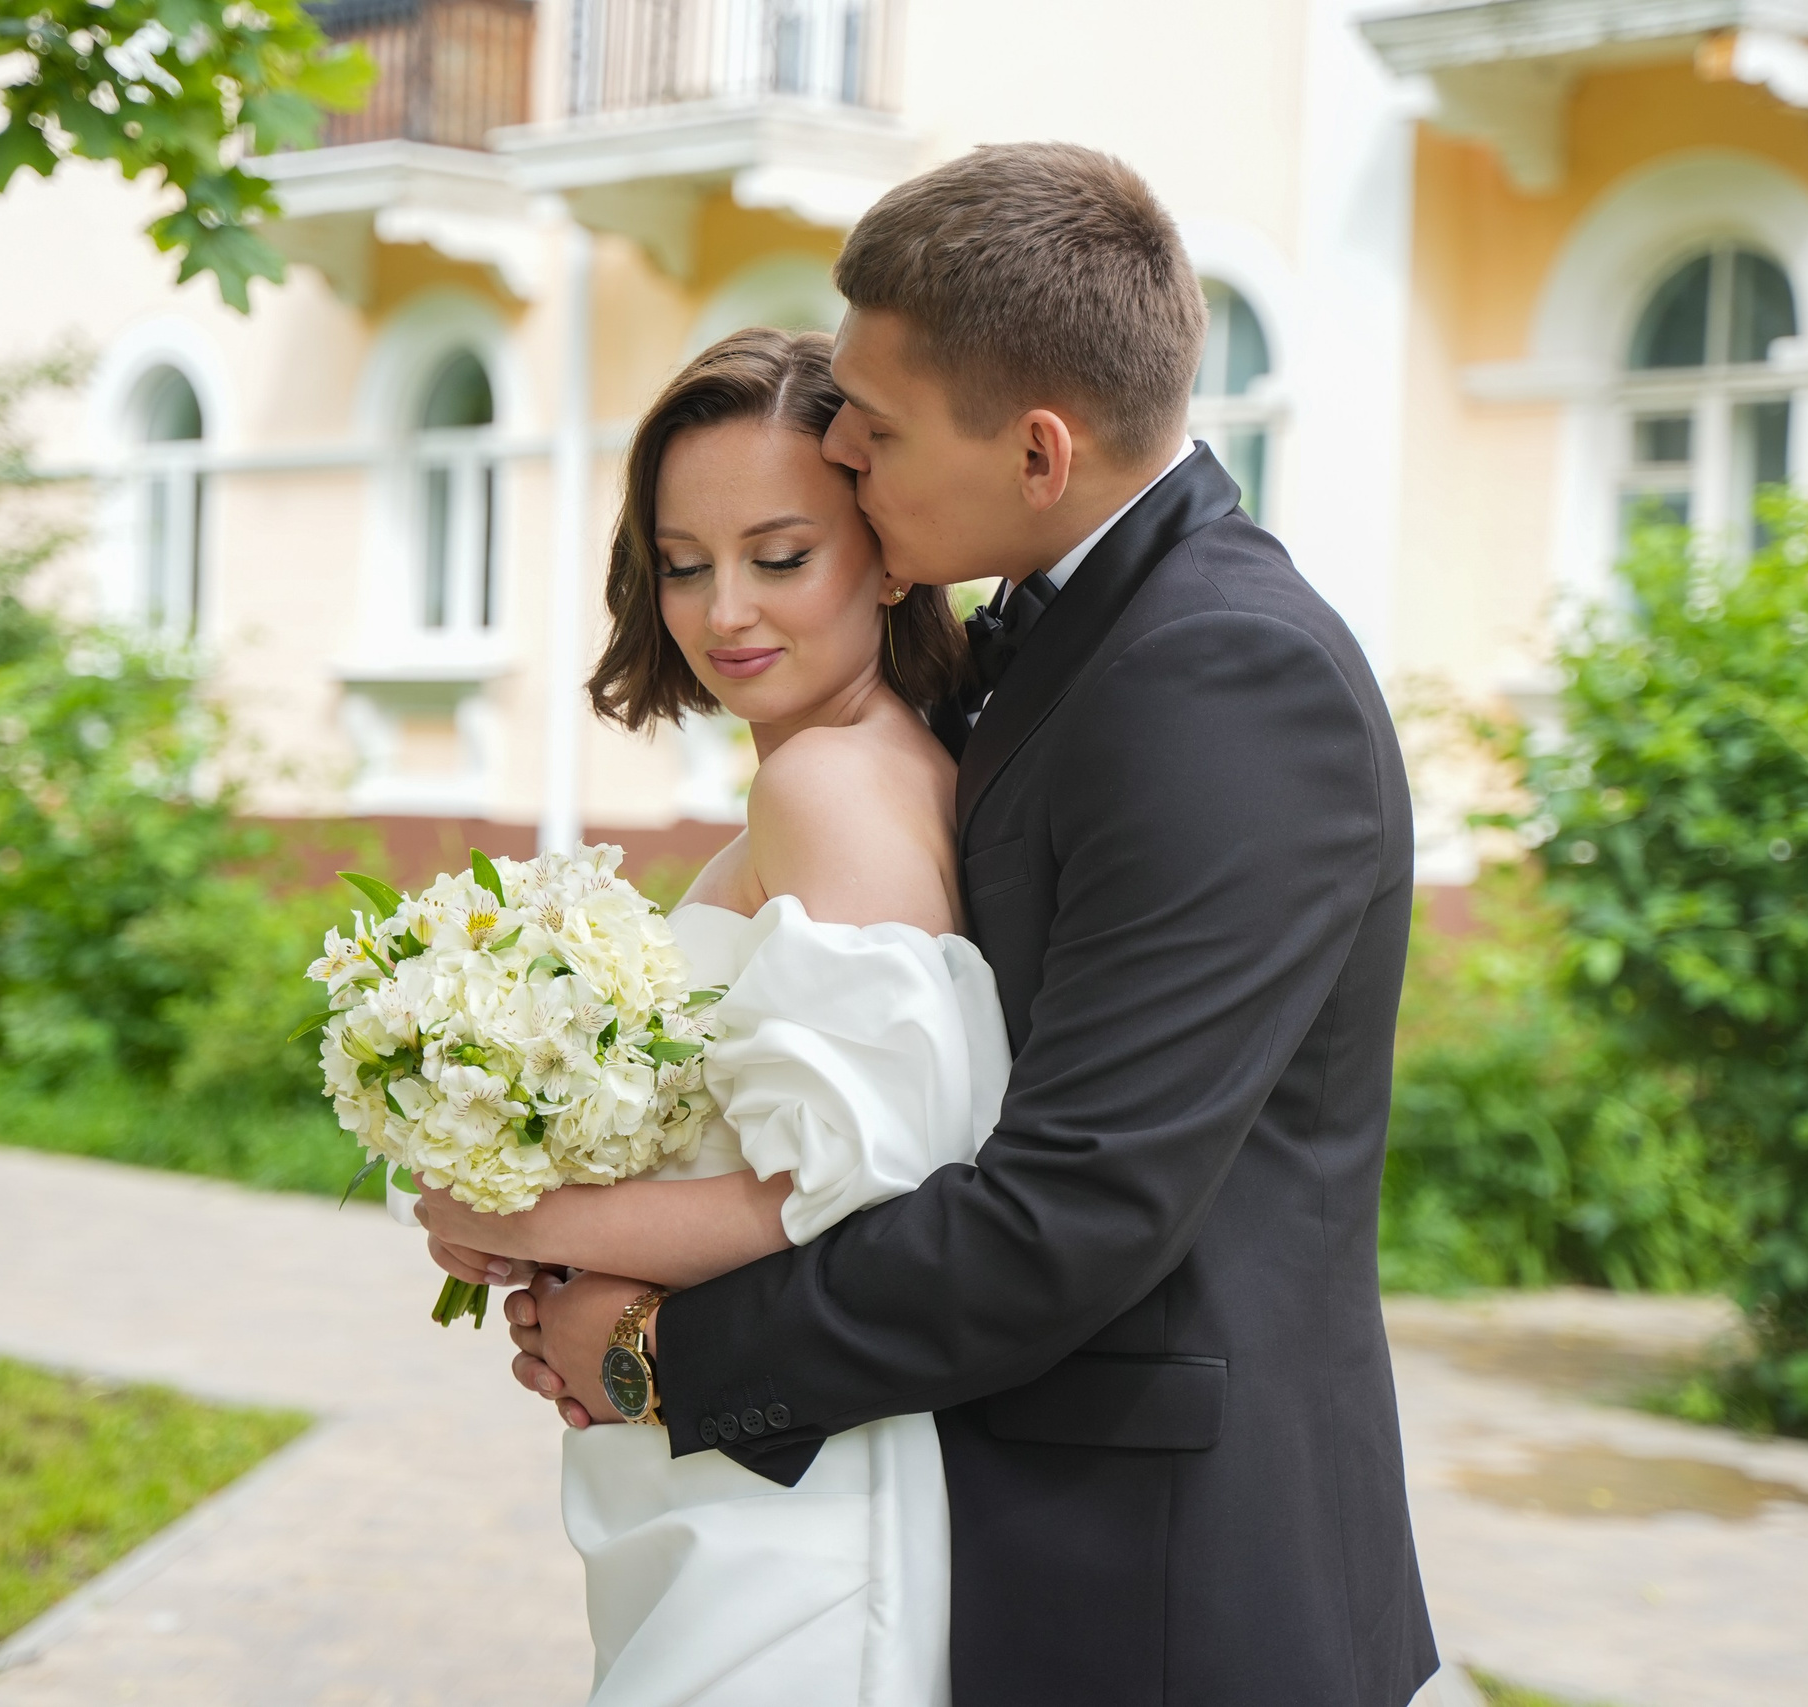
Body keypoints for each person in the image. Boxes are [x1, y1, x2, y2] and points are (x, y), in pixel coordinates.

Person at [465, 141, 1440, 1705]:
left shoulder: (1225, 679)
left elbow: (1074, 1214)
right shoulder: (1057, 648)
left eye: (878, 423)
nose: (840, 443)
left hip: (1168, 1579)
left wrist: (660, 1357)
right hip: (998, 1518)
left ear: (1040, 453)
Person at [417, 325, 994, 1702]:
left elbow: (843, 1192)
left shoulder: (829, 789)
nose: (725, 609)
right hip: (740, 1479)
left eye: (779, 557)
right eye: (684, 564)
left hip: (802, 1521)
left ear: (889, 550)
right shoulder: (856, 766)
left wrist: (520, 1223)